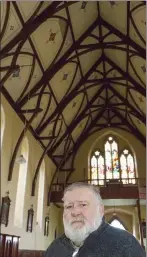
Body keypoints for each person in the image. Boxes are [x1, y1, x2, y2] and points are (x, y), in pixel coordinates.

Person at [44, 182, 146, 257]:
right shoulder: (54, 249)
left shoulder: (126, 244)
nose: (75, 212)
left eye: (83, 204)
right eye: (69, 206)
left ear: (100, 210)